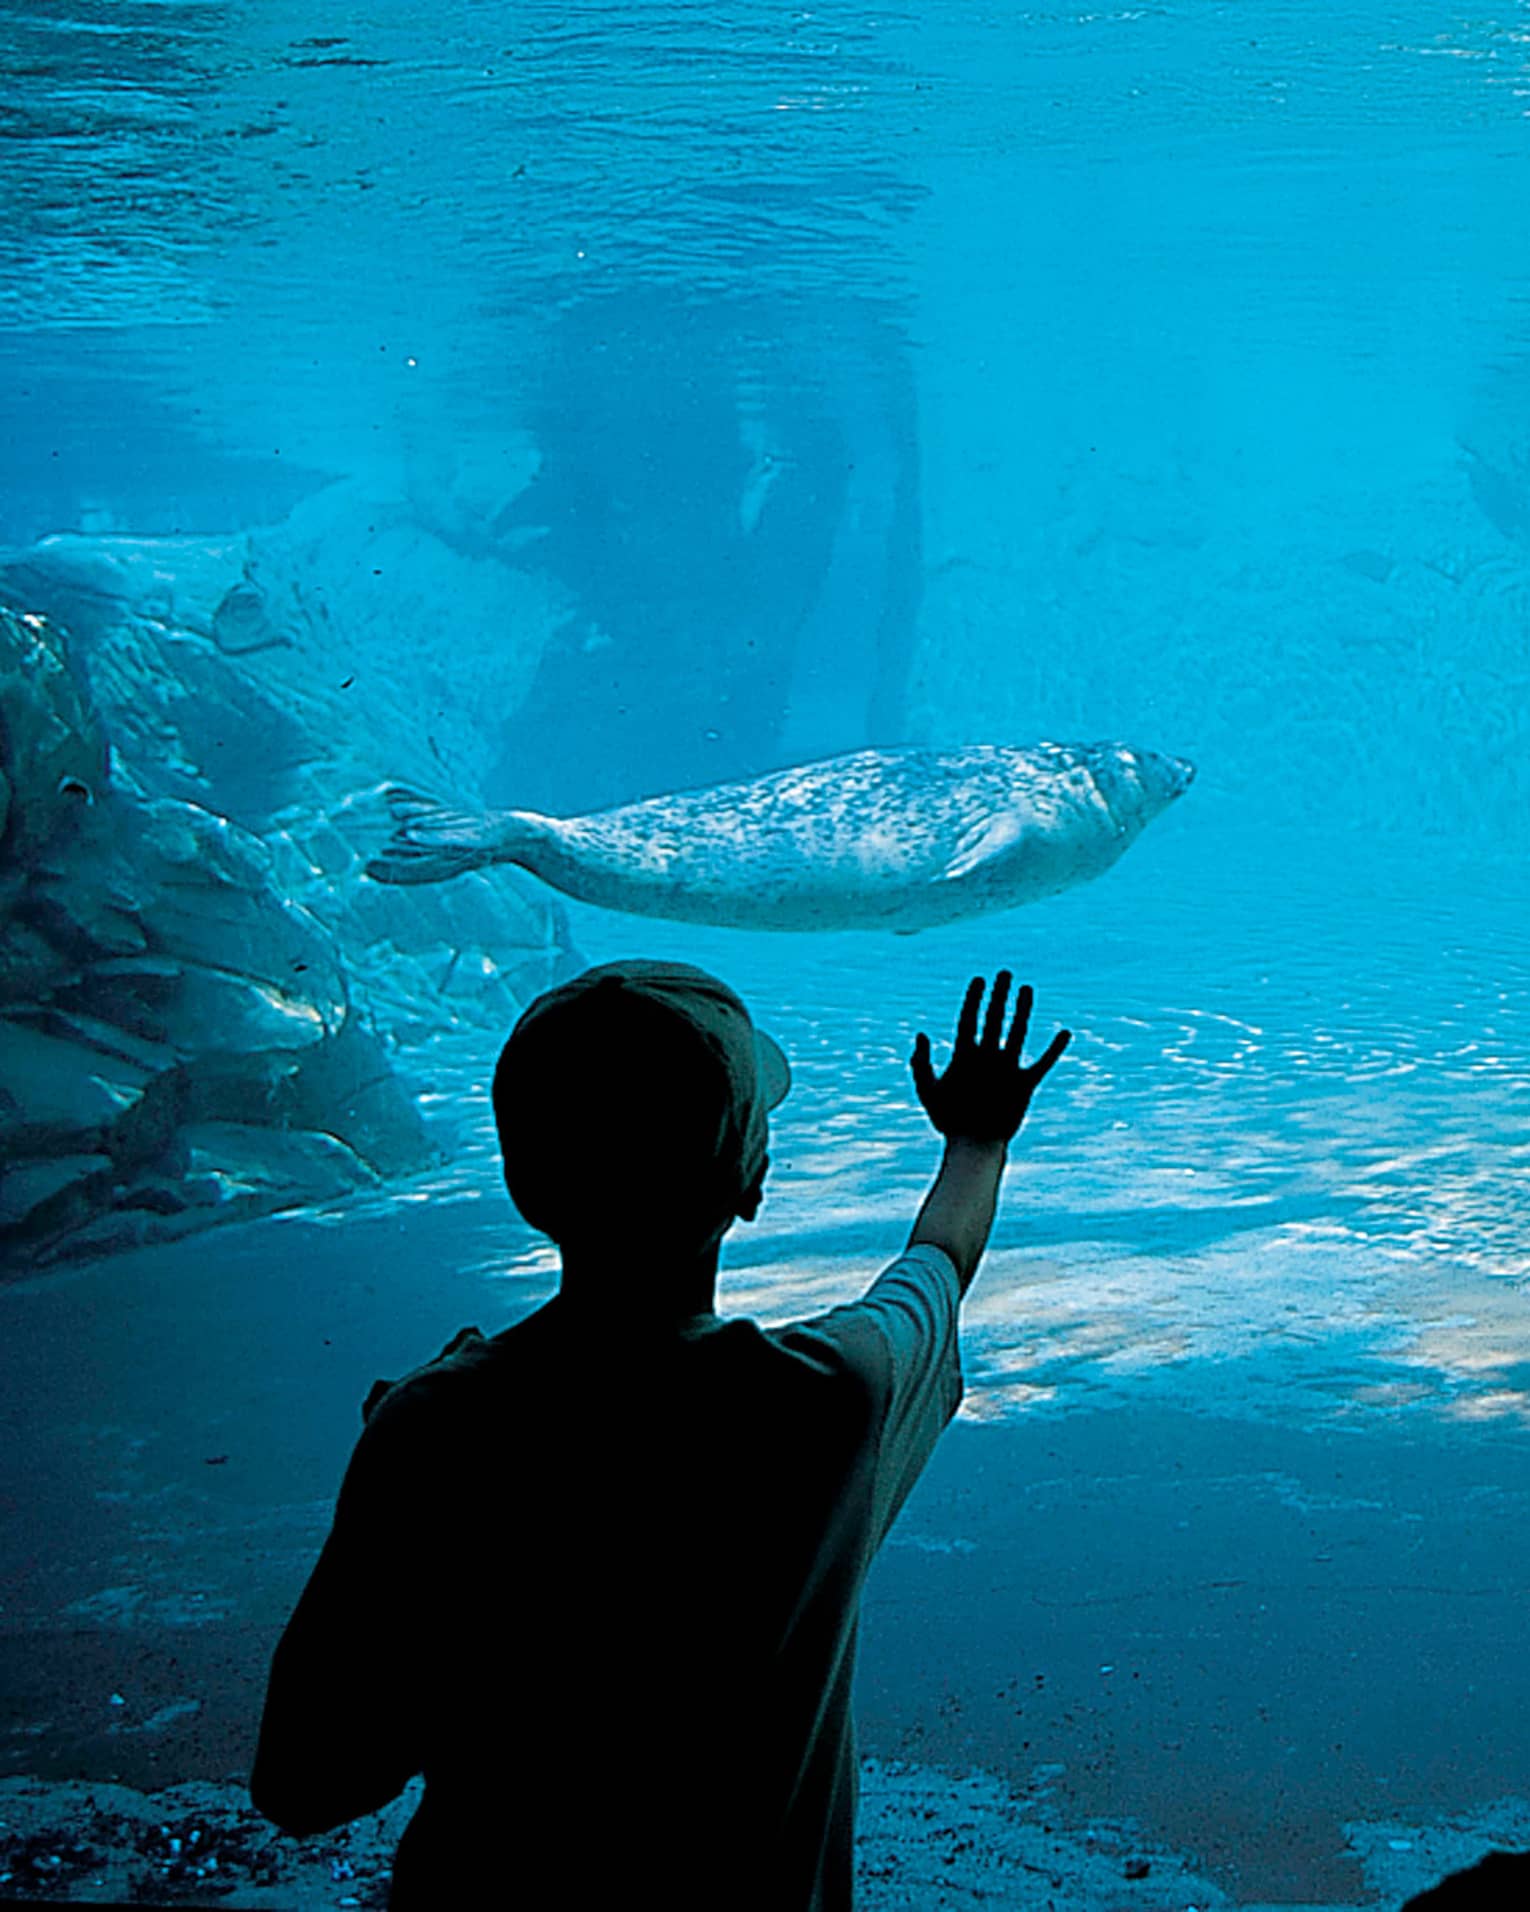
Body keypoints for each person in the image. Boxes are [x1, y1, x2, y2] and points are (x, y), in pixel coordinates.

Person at [250, 957, 1070, 1908]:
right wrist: (977, 1139)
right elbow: (937, 1262)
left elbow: (307, 1782)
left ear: (524, 1181)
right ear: (752, 1182)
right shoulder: (835, 1398)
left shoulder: (431, 1430)